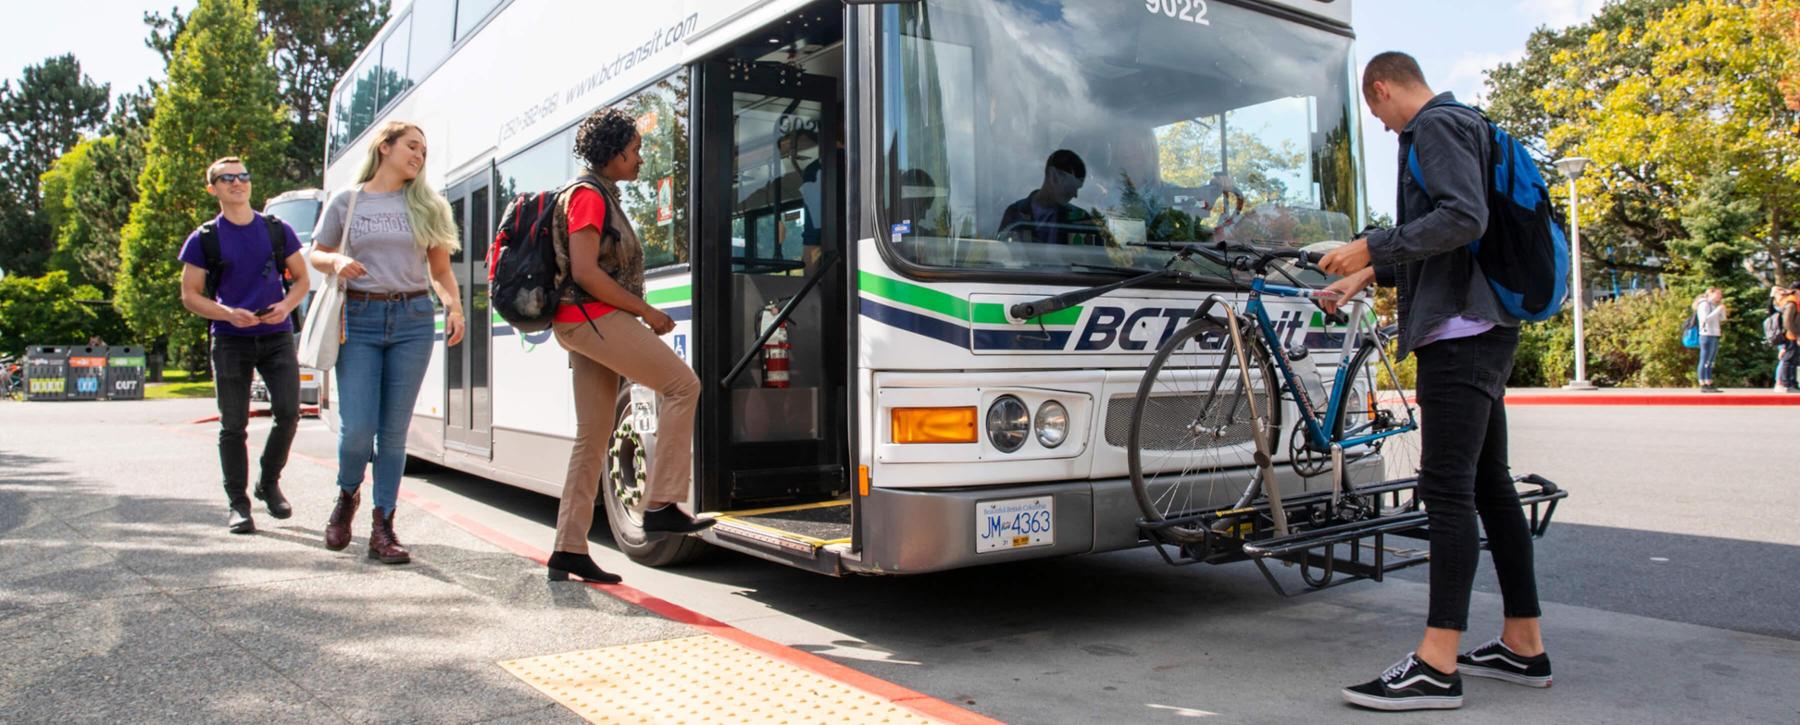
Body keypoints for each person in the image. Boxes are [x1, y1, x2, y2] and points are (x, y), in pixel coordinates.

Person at [1318, 52, 1548, 711]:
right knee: (1489, 485)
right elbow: (1450, 240)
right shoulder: (1466, 123)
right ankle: (1523, 643)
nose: (1384, 127)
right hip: (1483, 324)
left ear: (1381, 89)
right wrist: (1368, 274)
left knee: (1446, 491)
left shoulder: (1436, 127)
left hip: (1459, 334)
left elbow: (1463, 217)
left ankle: (1436, 664)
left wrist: (1370, 246)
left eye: (1377, 115)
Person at [544, 108, 711, 585]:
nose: (640, 158)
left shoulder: (596, 194)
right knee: (683, 385)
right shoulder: (588, 197)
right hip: (592, 319)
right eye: (635, 150)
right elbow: (585, 272)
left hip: (582, 323)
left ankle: (568, 549)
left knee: (593, 435)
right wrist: (647, 312)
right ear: (613, 152)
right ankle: (661, 505)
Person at [309, 121, 464, 564]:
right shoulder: (348, 200)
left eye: (423, 151)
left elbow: (440, 270)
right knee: (357, 428)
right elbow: (316, 253)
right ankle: (347, 495)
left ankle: (384, 526)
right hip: (359, 318)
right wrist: (336, 261)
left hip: (413, 319)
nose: (418, 155)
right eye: (411, 146)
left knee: (394, 432)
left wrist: (454, 307)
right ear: (385, 147)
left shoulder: (427, 205)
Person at [178, 156, 310, 534]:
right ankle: (238, 503)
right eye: (227, 179)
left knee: (289, 413)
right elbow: (190, 295)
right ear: (213, 189)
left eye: (243, 176)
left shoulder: (277, 229)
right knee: (233, 425)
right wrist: (226, 313)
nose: (237, 183)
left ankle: (268, 483)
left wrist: (285, 306)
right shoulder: (204, 238)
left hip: (276, 335)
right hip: (230, 340)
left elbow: (301, 280)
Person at [996, 149, 1103, 246]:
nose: (1075, 195)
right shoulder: (1014, 213)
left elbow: (1099, 259)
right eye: (1073, 186)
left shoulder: (1081, 219)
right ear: (1054, 176)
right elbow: (1000, 254)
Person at [1693, 288, 1726, 393]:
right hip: (1706, 334)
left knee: (1711, 361)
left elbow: (1722, 319)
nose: (1720, 296)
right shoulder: (1704, 304)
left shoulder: (1714, 305)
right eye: (1718, 294)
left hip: (1714, 334)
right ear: (1711, 293)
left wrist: (1722, 311)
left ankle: (1709, 382)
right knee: (1705, 359)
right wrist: (1718, 310)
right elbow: (1705, 319)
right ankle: (1702, 383)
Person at [1778, 287, 1800, 393]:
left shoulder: (1795, 302)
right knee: (1789, 359)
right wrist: (1796, 334)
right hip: (1791, 335)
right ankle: (1786, 383)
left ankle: (1792, 383)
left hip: (1793, 335)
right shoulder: (1791, 303)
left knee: (1794, 359)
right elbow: (1787, 321)